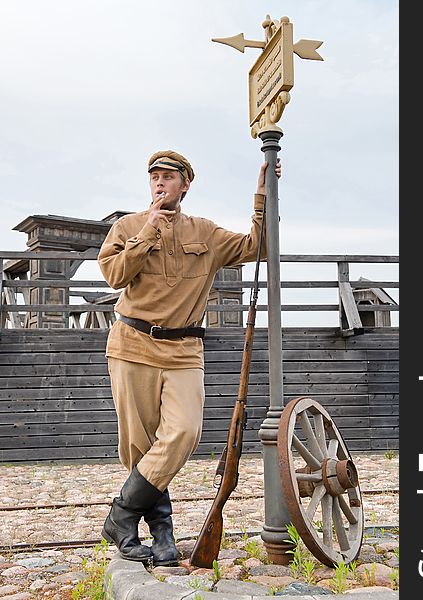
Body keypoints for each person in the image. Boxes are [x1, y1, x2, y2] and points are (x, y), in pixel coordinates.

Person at [97, 149, 281, 565]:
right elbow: (114, 275)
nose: (159, 183)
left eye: (168, 177)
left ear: (185, 185)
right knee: (140, 447)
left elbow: (261, 245)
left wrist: (262, 195)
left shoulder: (206, 232)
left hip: (184, 350)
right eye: (154, 177)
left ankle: (121, 515)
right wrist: (147, 231)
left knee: (182, 433)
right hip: (133, 345)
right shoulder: (127, 226)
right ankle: (162, 534)